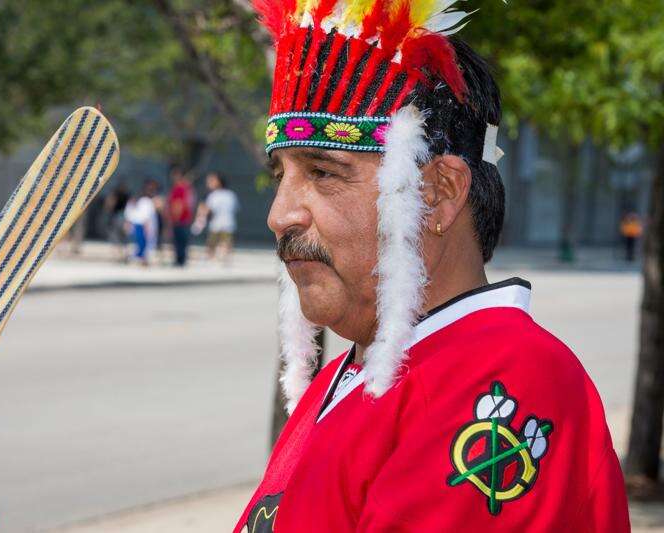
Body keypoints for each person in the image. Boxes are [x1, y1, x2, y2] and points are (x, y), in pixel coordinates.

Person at [235, 1, 630, 532]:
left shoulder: (508, 377)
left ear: (438, 193)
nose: (279, 215)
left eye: (324, 172)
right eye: (281, 176)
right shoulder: (350, 375)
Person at [194, 172, 239, 263]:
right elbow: (236, 208)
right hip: (229, 223)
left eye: (211, 181)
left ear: (219, 182)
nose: (208, 183)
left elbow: (207, 210)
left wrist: (199, 219)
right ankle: (225, 258)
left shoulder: (213, 195)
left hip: (216, 224)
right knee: (226, 243)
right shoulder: (231, 194)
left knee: (212, 244)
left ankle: (211, 258)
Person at [167, 167, 194, 267]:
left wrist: (175, 218)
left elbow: (178, 204)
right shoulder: (187, 188)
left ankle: (180, 260)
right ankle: (181, 259)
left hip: (179, 219)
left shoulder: (179, 188)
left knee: (179, 241)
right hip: (185, 219)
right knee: (182, 241)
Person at [124, 185, 158, 265]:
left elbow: (147, 216)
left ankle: (143, 257)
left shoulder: (146, 202)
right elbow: (130, 215)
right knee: (137, 243)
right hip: (138, 225)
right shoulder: (135, 202)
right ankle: (136, 257)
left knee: (145, 243)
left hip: (143, 225)